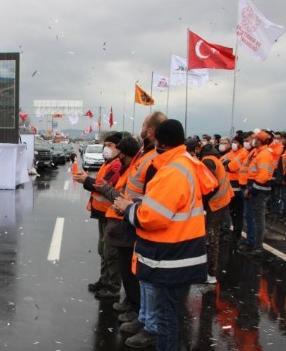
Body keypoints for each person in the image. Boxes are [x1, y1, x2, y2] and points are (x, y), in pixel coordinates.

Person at [114, 119, 216, 351]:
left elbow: (153, 217)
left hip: (170, 256)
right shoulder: (186, 162)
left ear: (159, 140)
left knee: (166, 317)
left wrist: (128, 208)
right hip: (180, 250)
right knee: (169, 314)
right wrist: (139, 203)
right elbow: (168, 205)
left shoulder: (172, 171)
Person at [114, 111, 167, 349]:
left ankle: (151, 327)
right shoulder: (145, 154)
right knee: (142, 276)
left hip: (147, 223)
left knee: (148, 280)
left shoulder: (156, 159)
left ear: (151, 132)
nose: (141, 131)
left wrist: (132, 209)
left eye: (144, 127)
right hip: (135, 219)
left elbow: (152, 199)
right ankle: (144, 319)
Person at [92, 136, 142, 326]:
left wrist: (101, 187)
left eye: (112, 147)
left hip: (124, 221)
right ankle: (126, 299)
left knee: (123, 266)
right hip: (113, 217)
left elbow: (119, 194)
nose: (113, 152)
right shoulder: (120, 166)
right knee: (108, 254)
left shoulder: (130, 169)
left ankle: (128, 301)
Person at [73, 132, 123, 299]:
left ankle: (113, 286)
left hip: (111, 213)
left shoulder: (116, 165)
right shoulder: (107, 163)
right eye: (105, 145)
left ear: (119, 148)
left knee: (110, 252)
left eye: (110, 145)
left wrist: (87, 180)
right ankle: (104, 280)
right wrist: (88, 179)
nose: (106, 148)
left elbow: (104, 185)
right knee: (102, 250)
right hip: (102, 212)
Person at [198, 143, 233, 283]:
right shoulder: (214, 159)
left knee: (212, 238)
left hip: (216, 203)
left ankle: (211, 273)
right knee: (213, 236)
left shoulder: (208, 161)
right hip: (222, 200)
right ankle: (210, 271)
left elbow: (210, 186)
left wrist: (203, 204)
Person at [239, 130, 275, 257]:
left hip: (259, 191)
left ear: (259, 141)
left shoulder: (264, 154)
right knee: (250, 218)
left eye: (254, 139)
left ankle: (258, 247)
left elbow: (262, 176)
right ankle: (251, 242)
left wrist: (252, 189)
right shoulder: (258, 152)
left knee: (258, 220)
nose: (252, 141)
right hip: (254, 189)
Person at [221, 135, 248, 243]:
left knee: (237, 213)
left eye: (236, 142)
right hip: (230, 186)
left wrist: (227, 165)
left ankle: (237, 234)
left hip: (238, 186)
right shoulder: (232, 153)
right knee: (232, 212)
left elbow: (231, 166)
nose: (234, 144)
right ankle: (234, 232)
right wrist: (226, 164)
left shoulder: (243, 153)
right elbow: (221, 162)